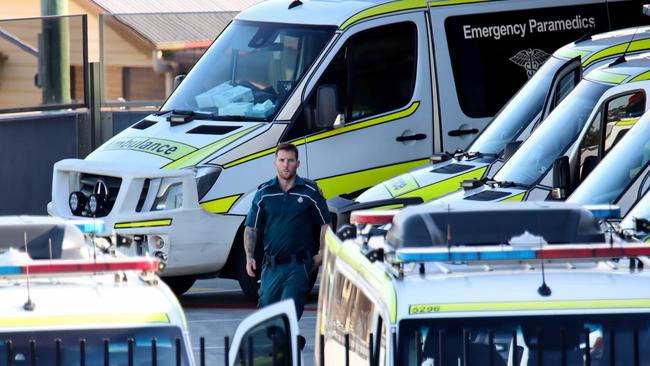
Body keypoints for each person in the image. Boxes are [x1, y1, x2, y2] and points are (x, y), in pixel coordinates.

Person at [244, 142, 331, 320]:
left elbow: (326, 224)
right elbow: (251, 228)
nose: (286, 165)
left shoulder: (310, 191)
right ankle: (288, 344)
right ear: (275, 162)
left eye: (290, 160)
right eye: (282, 160)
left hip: (298, 266)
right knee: (267, 316)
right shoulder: (264, 193)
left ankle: (289, 344)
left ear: (297, 164)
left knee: (288, 314)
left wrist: (322, 253)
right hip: (271, 266)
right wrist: (249, 256)